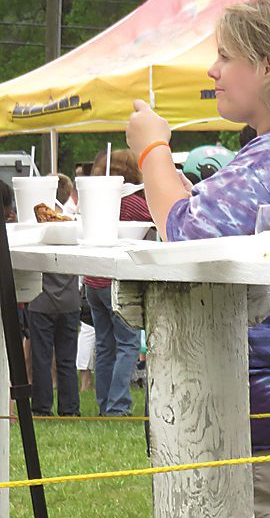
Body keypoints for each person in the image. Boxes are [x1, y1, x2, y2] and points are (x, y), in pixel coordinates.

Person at [126, 0, 270, 518]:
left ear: (269, 66)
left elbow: (189, 234)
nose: (212, 69)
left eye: (226, 55)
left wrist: (151, 150)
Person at [83, 149, 150, 417]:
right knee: (128, 346)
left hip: (92, 281)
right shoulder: (133, 203)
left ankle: (104, 404)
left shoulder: (96, 201)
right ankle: (118, 405)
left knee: (104, 346)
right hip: (117, 281)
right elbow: (161, 216)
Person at [27, 173, 80, 417]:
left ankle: (41, 407)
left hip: (41, 300)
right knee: (68, 361)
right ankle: (70, 408)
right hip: (69, 301)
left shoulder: (37, 223)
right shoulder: (74, 222)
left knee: (41, 358)